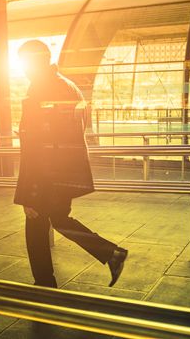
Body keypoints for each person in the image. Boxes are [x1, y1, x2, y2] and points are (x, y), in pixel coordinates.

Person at [14, 40, 128, 288]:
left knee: (35, 228)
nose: (23, 70)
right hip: (62, 173)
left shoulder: (43, 91)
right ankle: (111, 253)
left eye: (25, 63)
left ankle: (44, 284)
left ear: (36, 62)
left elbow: (37, 147)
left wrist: (29, 193)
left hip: (46, 177)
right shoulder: (67, 86)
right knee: (59, 219)